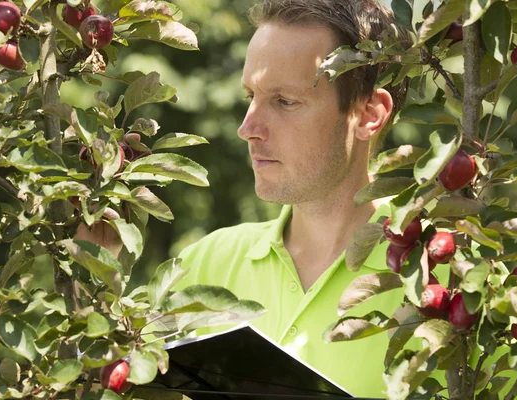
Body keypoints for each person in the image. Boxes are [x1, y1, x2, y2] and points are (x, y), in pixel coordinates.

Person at [173, 0, 410, 397]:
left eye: (285, 101)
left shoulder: (451, 279)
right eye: (251, 95)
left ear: (370, 114)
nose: (247, 128)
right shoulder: (205, 264)